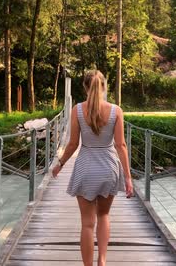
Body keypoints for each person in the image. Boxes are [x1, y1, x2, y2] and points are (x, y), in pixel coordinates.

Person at [52, 69, 133, 266]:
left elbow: (72, 144)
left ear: (85, 87)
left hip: (85, 168)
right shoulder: (116, 111)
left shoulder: (78, 110)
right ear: (104, 86)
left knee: (87, 224)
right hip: (109, 167)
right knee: (104, 215)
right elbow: (121, 145)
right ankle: (102, 261)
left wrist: (60, 164)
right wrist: (128, 178)